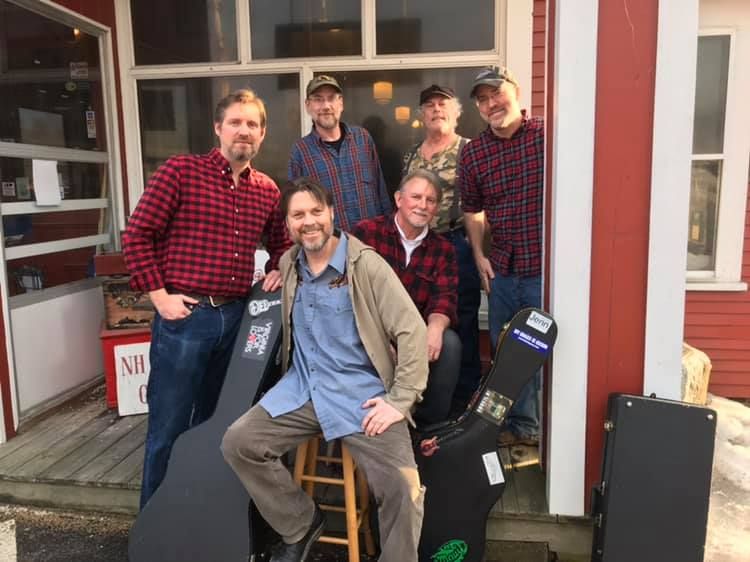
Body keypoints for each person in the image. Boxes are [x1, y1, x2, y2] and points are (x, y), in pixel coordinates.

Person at [222, 177, 427, 562]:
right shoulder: (289, 263)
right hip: (304, 389)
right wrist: (274, 274)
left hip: (361, 397)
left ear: (332, 212)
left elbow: (412, 330)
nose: (309, 221)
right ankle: (301, 524)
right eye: (298, 215)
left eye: (316, 211)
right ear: (287, 223)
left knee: (404, 487)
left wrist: (399, 401)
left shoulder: (366, 265)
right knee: (239, 442)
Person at [122, 89, 291, 507]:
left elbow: (283, 243)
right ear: (218, 128)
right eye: (235, 122)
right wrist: (160, 298)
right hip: (186, 318)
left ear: (262, 133)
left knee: (217, 425)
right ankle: (155, 527)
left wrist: (278, 269)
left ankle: (197, 516)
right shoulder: (181, 172)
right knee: (169, 427)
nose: (244, 130)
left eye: (252, 124)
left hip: (235, 321)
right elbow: (137, 235)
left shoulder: (267, 190)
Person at [458, 67, 544, 447]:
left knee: (542, 350)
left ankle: (546, 427)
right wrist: (479, 254)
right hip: (503, 270)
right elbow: (472, 210)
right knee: (506, 351)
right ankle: (520, 427)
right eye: (483, 99)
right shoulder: (474, 153)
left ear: (516, 91)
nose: (491, 103)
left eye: (497, 93)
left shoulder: (547, 137)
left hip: (545, 269)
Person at [352, 169, 460, 426]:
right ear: (399, 199)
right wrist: (378, 338)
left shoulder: (443, 249)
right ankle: (364, 419)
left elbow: (444, 296)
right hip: (369, 329)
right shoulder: (367, 233)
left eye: (430, 200)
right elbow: (349, 291)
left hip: (414, 333)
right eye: (416, 197)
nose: (423, 205)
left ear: (436, 208)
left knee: (450, 344)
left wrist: (435, 328)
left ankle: (426, 428)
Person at [401, 84, 482, 410]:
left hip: (454, 244)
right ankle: (425, 396)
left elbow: (479, 205)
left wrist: (478, 250)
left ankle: (463, 401)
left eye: (443, 104)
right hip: (417, 247)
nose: (436, 110)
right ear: (422, 114)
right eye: (430, 105)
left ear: (456, 113)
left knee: (462, 320)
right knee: (417, 317)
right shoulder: (411, 155)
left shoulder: (469, 150)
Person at [288, 75, 392, 231]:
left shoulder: (362, 138)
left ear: (341, 103)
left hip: (371, 240)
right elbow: (296, 207)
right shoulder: (300, 152)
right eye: (318, 99)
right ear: (308, 106)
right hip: (331, 243)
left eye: (331, 98)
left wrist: (389, 230)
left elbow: (380, 190)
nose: (326, 106)